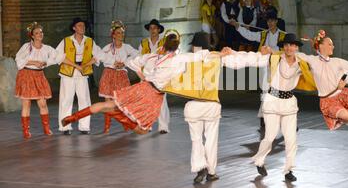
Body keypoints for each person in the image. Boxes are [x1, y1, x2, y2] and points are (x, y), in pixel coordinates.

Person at [61, 32, 227, 135]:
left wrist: (142, 75)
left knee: (109, 105)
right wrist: (220, 54)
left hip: (143, 87)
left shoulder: (153, 56)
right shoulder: (179, 59)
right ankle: (115, 115)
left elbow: (132, 62)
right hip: (154, 95)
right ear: (177, 48)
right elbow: (200, 57)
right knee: (143, 130)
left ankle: (72, 117)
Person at [171, 32, 269, 184]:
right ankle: (211, 171)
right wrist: (259, 55)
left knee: (196, 139)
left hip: (193, 105)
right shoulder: (217, 56)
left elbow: (168, 69)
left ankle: (199, 168)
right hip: (211, 104)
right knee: (211, 139)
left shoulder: (186, 59)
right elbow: (241, 61)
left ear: (193, 45)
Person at [224, 34, 314, 182]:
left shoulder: (302, 62)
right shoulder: (274, 58)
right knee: (270, 136)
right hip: (272, 100)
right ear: (283, 47)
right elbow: (252, 58)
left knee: (291, 139)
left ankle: (289, 170)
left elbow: (320, 65)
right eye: (286, 45)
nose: (289, 48)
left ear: (296, 47)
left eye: (292, 45)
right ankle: (259, 160)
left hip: (289, 103)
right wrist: (233, 53)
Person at [15, 22, 66, 139]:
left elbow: (58, 56)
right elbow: (18, 59)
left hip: (39, 76)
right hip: (26, 75)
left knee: (42, 103)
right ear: (32, 36)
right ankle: (26, 130)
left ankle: (46, 128)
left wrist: (46, 62)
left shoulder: (47, 48)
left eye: (41, 32)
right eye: (36, 33)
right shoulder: (26, 47)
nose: (39, 35)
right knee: (26, 103)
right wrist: (34, 62)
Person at [56, 18, 106, 135]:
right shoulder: (66, 41)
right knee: (66, 100)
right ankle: (65, 126)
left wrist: (86, 65)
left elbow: (99, 55)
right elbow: (59, 56)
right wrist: (75, 66)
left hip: (82, 73)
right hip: (68, 72)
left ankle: (84, 127)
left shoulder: (89, 41)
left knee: (84, 100)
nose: (82, 28)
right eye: (79, 26)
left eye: (83, 26)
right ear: (74, 28)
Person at [99, 20, 139, 133]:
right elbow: (100, 57)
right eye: (118, 33)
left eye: (122, 33)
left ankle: (126, 124)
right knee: (107, 102)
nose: (121, 35)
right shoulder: (107, 47)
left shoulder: (127, 47)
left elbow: (137, 54)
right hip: (109, 74)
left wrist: (125, 62)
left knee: (123, 102)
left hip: (121, 75)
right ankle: (107, 126)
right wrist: (113, 63)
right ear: (113, 35)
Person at [139, 19, 171, 134]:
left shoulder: (165, 42)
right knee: (147, 100)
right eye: (151, 28)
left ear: (159, 30)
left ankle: (163, 126)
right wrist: (141, 74)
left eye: (155, 28)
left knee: (161, 100)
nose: (152, 30)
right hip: (146, 75)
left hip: (160, 75)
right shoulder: (143, 43)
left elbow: (169, 58)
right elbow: (139, 59)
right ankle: (147, 124)